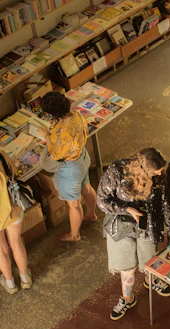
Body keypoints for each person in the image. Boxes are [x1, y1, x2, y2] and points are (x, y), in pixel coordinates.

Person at [97, 148, 170, 320]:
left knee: (150, 262)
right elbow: (101, 201)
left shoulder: (159, 177)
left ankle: (151, 280)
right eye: (155, 172)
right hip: (121, 226)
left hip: (148, 225)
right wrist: (126, 209)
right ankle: (127, 298)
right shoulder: (116, 171)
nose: (159, 174)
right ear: (143, 171)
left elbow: (167, 207)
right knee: (126, 268)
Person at [38, 92, 97, 242]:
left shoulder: (64, 132)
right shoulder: (76, 115)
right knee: (87, 188)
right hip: (82, 158)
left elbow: (56, 155)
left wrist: (46, 136)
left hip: (70, 168)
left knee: (74, 204)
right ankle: (91, 215)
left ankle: (74, 234)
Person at [0, 150, 32, 294]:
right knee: (16, 243)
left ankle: (10, 283)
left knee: (1, 250)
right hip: (12, 206)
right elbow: (12, 172)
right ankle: (25, 279)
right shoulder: (1, 153)